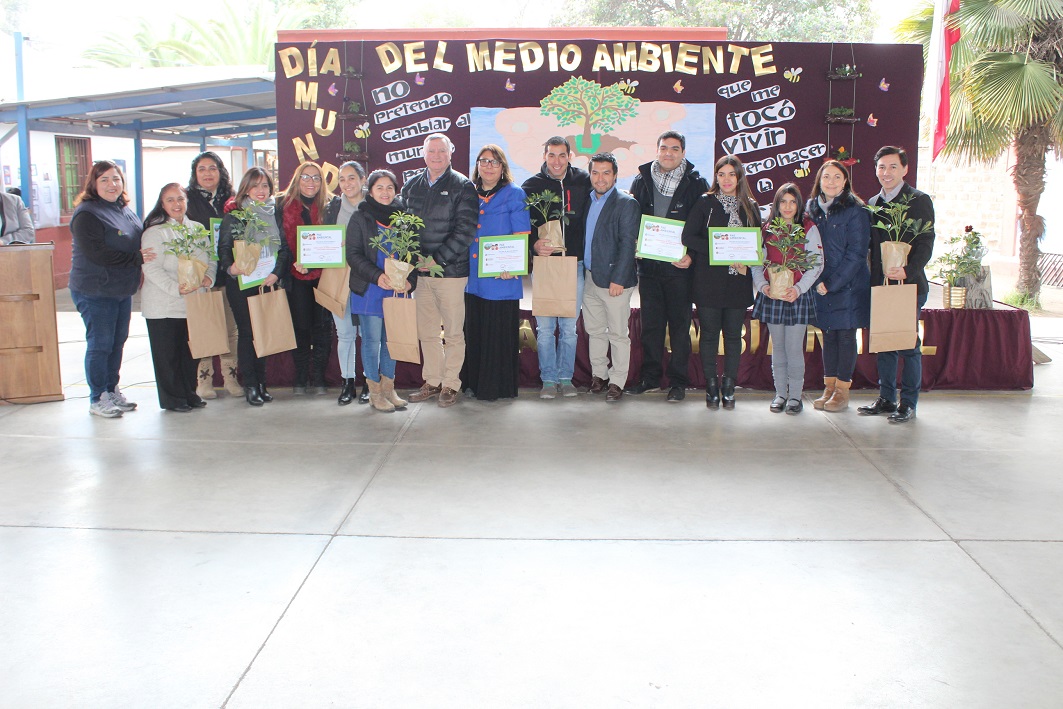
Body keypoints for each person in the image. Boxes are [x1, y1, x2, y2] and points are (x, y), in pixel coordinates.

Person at [68, 160, 156, 417]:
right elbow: (98, 254)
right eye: (104, 179)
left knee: (117, 342)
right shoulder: (87, 213)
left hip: (120, 289)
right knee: (100, 343)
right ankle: (98, 397)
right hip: (95, 289)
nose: (111, 184)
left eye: (116, 178)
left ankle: (111, 388)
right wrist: (136, 259)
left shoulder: (122, 208)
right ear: (93, 184)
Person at [626, 130, 708, 402]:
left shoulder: (697, 184)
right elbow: (634, 219)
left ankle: (678, 381)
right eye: (664, 148)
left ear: (683, 152)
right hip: (649, 267)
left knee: (679, 327)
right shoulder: (641, 180)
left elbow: (703, 228)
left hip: (679, 268)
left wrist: (693, 256)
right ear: (657, 150)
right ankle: (650, 377)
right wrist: (636, 243)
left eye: (674, 148)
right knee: (651, 326)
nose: (669, 153)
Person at [859, 146, 936, 424]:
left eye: (892, 167)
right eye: (881, 167)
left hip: (908, 285)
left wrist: (908, 270)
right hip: (881, 285)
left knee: (906, 344)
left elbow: (926, 242)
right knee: (885, 343)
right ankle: (887, 397)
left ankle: (909, 402)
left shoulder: (918, 200)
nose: (886, 172)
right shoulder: (873, 203)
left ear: (905, 169)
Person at [401, 133, 478, 407]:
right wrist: (412, 263)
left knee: (454, 332)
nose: (436, 155)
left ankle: (451, 384)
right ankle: (433, 380)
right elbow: (404, 230)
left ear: (450, 154)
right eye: (431, 151)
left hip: (451, 272)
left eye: (441, 151)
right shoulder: (410, 186)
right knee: (428, 332)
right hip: (420, 274)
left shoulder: (463, 186)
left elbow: (465, 231)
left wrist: (437, 260)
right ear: (423, 154)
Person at [682, 155, 761, 410]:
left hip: (737, 283)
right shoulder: (705, 203)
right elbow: (688, 236)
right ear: (716, 176)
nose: (726, 179)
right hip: (708, 282)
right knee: (708, 337)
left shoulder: (750, 205)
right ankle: (711, 386)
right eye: (721, 174)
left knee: (733, 338)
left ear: (739, 177)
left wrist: (746, 255)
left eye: (731, 174)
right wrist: (718, 249)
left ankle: (729, 386)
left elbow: (756, 243)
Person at [521, 137, 591, 399]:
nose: (557, 161)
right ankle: (549, 379)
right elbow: (521, 225)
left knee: (570, 327)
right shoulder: (531, 186)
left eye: (562, 155)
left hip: (575, 264)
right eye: (552, 155)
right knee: (546, 328)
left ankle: (566, 377)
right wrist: (533, 244)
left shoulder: (583, 181)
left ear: (570, 156)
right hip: (545, 265)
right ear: (544, 155)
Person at [459, 145, 531, 401]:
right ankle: (473, 383)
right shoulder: (468, 193)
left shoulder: (515, 194)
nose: (488, 166)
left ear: (503, 167)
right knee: (474, 332)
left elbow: (521, 235)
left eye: (494, 162)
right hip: (472, 279)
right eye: (484, 161)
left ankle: (495, 387)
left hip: (502, 277)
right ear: (477, 165)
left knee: (496, 334)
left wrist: (513, 266)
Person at [217, 167, 291, 406]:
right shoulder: (235, 215)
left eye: (265, 186)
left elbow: (284, 249)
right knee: (247, 333)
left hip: (267, 281)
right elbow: (223, 250)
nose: (261, 191)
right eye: (255, 186)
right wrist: (232, 268)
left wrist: (276, 274)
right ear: (246, 189)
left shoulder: (276, 213)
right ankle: (250, 384)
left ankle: (262, 383)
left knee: (263, 333)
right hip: (241, 283)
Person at [346, 169, 418, 413]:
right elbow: (353, 256)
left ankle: (389, 389)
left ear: (396, 190)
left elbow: (413, 254)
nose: (385, 192)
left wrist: (412, 281)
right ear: (371, 190)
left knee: (392, 341)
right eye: (379, 187)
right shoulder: (360, 218)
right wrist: (378, 277)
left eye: (389, 187)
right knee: (372, 341)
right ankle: (375, 392)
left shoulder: (404, 219)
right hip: (370, 289)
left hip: (396, 289)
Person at [140, 184, 216, 412]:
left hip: (193, 303)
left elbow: (211, 258)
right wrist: (176, 288)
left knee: (189, 354)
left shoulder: (197, 228)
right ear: (162, 205)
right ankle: (173, 399)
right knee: (168, 355)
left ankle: (189, 393)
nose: (176, 204)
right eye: (170, 200)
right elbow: (151, 269)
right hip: (164, 303)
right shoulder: (155, 232)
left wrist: (209, 277)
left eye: (180, 199)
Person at [751, 184, 823, 414]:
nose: (788, 206)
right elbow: (756, 262)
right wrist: (762, 286)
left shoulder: (808, 228)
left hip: (796, 297)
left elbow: (816, 263)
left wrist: (799, 288)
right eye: (783, 202)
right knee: (778, 348)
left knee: (794, 349)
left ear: (799, 204)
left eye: (793, 202)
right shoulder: (767, 229)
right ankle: (780, 394)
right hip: (773, 296)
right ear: (776, 205)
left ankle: (795, 397)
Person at [807, 159, 871, 412]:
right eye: (826, 177)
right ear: (819, 181)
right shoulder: (812, 208)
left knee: (845, 336)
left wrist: (831, 283)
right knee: (828, 335)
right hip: (820, 285)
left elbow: (856, 254)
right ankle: (829, 387)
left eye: (836, 177)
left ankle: (842, 391)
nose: (830, 182)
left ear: (845, 181)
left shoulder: (856, 210)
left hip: (848, 286)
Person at [581, 152, 641, 402]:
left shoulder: (626, 204)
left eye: (606, 173)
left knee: (617, 333)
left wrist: (619, 278)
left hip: (615, 281)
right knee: (595, 330)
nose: (600, 178)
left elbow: (628, 244)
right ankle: (599, 375)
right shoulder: (588, 200)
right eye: (595, 172)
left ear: (615, 176)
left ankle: (617, 381)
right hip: (590, 276)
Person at [185, 151, 241, 400]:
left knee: (231, 329)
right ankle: (204, 380)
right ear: (195, 174)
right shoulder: (187, 200)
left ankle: (231, 378)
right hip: (202, 275)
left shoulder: (232, 200)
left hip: (229, 273)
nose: (207, 173)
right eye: (202, 169)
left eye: (213, 168)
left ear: (221, 171)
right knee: (205, 328)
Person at [278, 161, 333, 394]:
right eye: (306, 177)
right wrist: (293, 263)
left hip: (325, 276)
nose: (311, 182)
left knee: (322, 328)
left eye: (316, 178)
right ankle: (301, 377)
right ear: (297, 180)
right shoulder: (281, 205)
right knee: (300, 328)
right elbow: (278, 241)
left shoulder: (331, 206)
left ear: (322, 182)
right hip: (294, 276)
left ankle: (319, 377)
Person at [324, 160, 369, 406]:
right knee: (345, 334)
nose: (347, 183)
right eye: (342, 179)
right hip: (338, 278)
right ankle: (347, 382)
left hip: (367, 278)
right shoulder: (332, 208)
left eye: (352, 178)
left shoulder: (373, 206)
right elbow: (320, 241)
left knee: (369, 334)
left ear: (363, 180)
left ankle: (368, 381)